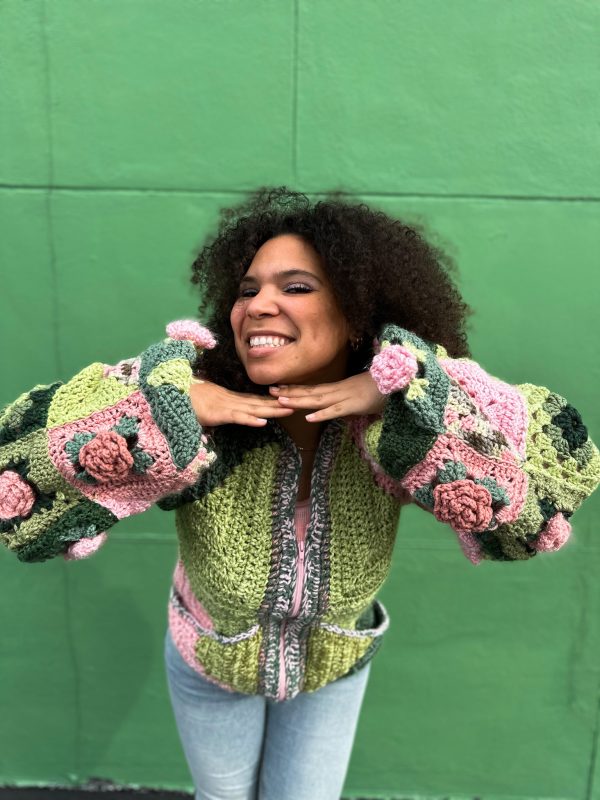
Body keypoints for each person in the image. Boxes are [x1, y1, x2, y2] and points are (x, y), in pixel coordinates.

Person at [0, 187, 598, 800]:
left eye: (296, 287)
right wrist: (169, 410)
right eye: (248, 289)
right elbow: (16, 474)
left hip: (333, 667)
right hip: (212, 659)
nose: (259, 305)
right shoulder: (191, 408)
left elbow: (539, 497)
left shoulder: (393, 429)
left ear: (357, 313)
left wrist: (405, 394)